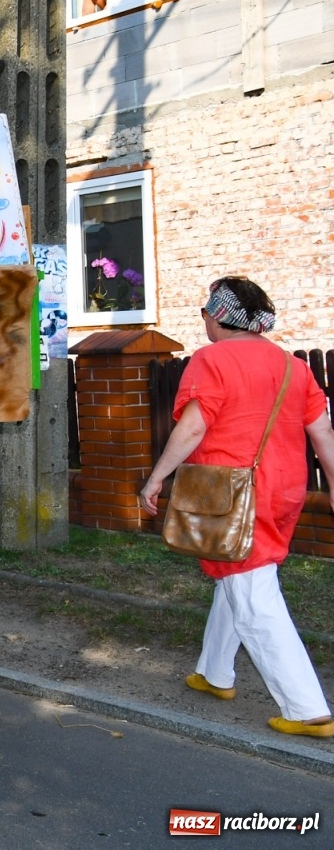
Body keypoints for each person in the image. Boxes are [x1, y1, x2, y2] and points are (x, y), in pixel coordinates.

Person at [139, 277, 334, 739]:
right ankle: (215, 673)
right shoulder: (291, 366)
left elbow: (193, 427)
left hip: (231, 492)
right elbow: (323, 432)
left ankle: (307, 709)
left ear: (219, 316)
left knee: (252, 595)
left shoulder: (211, 359)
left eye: (204, 313)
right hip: (284, 490)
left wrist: (157, 477)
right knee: (242, 574)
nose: (202, 321)